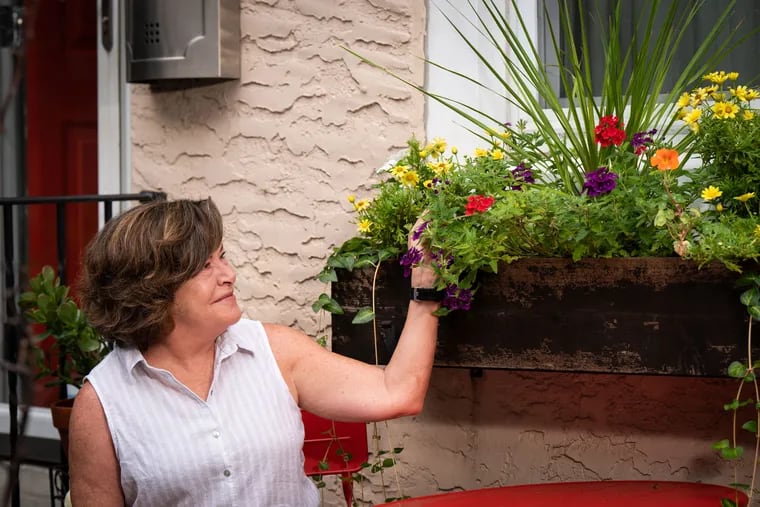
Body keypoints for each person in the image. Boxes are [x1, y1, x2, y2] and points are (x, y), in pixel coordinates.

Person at [68, 197, 440, 507]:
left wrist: (425, 289)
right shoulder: (102, 403)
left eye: (223, 256)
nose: (228, 274)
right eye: (204, 265)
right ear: (151, 290)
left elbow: (399, 392)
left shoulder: (274, 350)